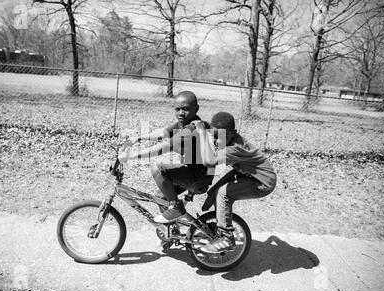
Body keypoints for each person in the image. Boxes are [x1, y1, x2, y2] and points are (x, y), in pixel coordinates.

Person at [118, 91, 213, 223]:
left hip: (198, 178)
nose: (180, 113)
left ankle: (176, 207)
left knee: (157, 167)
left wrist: (130, 156)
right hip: (194, 173)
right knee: (161, 196)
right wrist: (137, 138)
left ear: (196, 108)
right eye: (177, 109)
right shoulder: (185, 122)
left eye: (185, 109)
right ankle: (172, 231)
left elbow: (162, 148)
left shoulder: (192, 128)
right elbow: (163, 133)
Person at [193, 111, 277, 253]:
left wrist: (202, 133)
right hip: (248, 174)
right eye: (215, 135)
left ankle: (227, 238)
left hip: (263, 182)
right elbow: (211, 126)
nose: (218, 140)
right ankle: (221, 226)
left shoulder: (234, 148)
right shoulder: (229, 138)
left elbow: (209, 162)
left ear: (234, 133)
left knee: (223, 194)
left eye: (222, 136)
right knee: (216, 191)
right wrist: (202, 124)